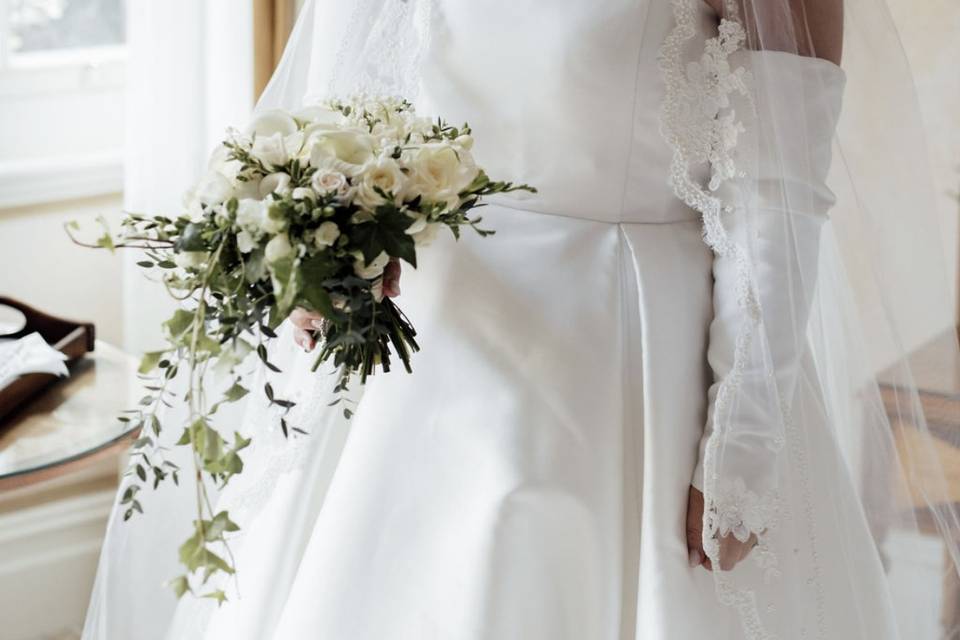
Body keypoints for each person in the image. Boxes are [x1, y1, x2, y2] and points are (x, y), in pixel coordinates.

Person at [84, 1, 960, 638]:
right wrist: (326, 269)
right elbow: (347, 114)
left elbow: (780, 196)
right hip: (417, 361)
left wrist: (744, 443)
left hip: (626, 367)